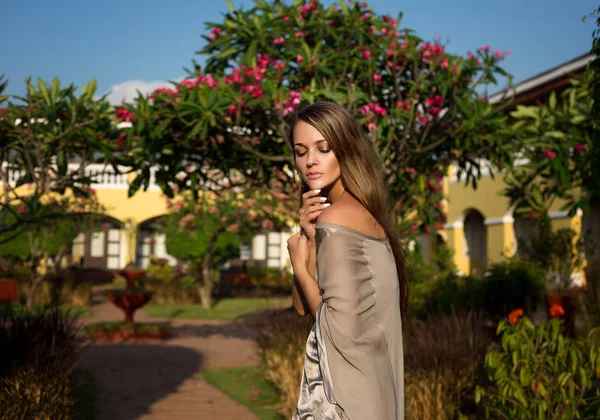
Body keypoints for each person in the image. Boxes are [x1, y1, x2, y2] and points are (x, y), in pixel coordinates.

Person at [287, 101, 408, 420]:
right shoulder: (364, 213)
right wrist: (310, 240)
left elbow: (336, 330)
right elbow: (303, 307)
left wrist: (299, 266)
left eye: (323, 148)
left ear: (345, 149)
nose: (310, 161)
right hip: (375, 390)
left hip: (348, 400)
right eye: (301, 151)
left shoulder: (337, 218)